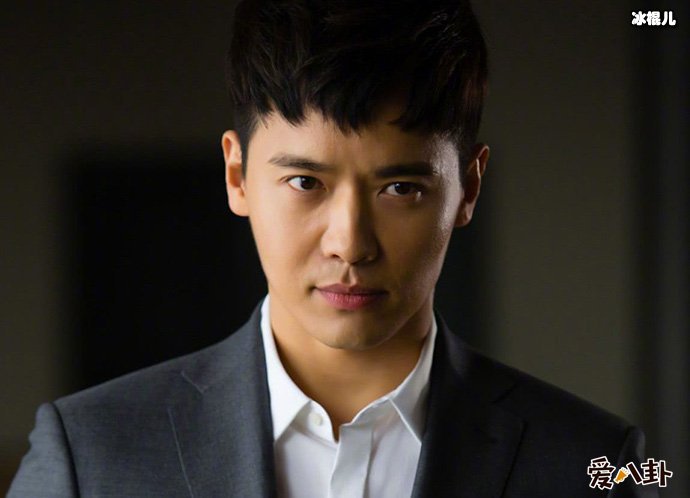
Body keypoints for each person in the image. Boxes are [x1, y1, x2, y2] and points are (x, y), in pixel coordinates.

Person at [10, 0, 656, 496]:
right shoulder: (89, 454)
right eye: (304, 182)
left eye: (400, 188)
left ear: (469, 188)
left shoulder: (599, 461)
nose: (350, 244)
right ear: (237, 176)